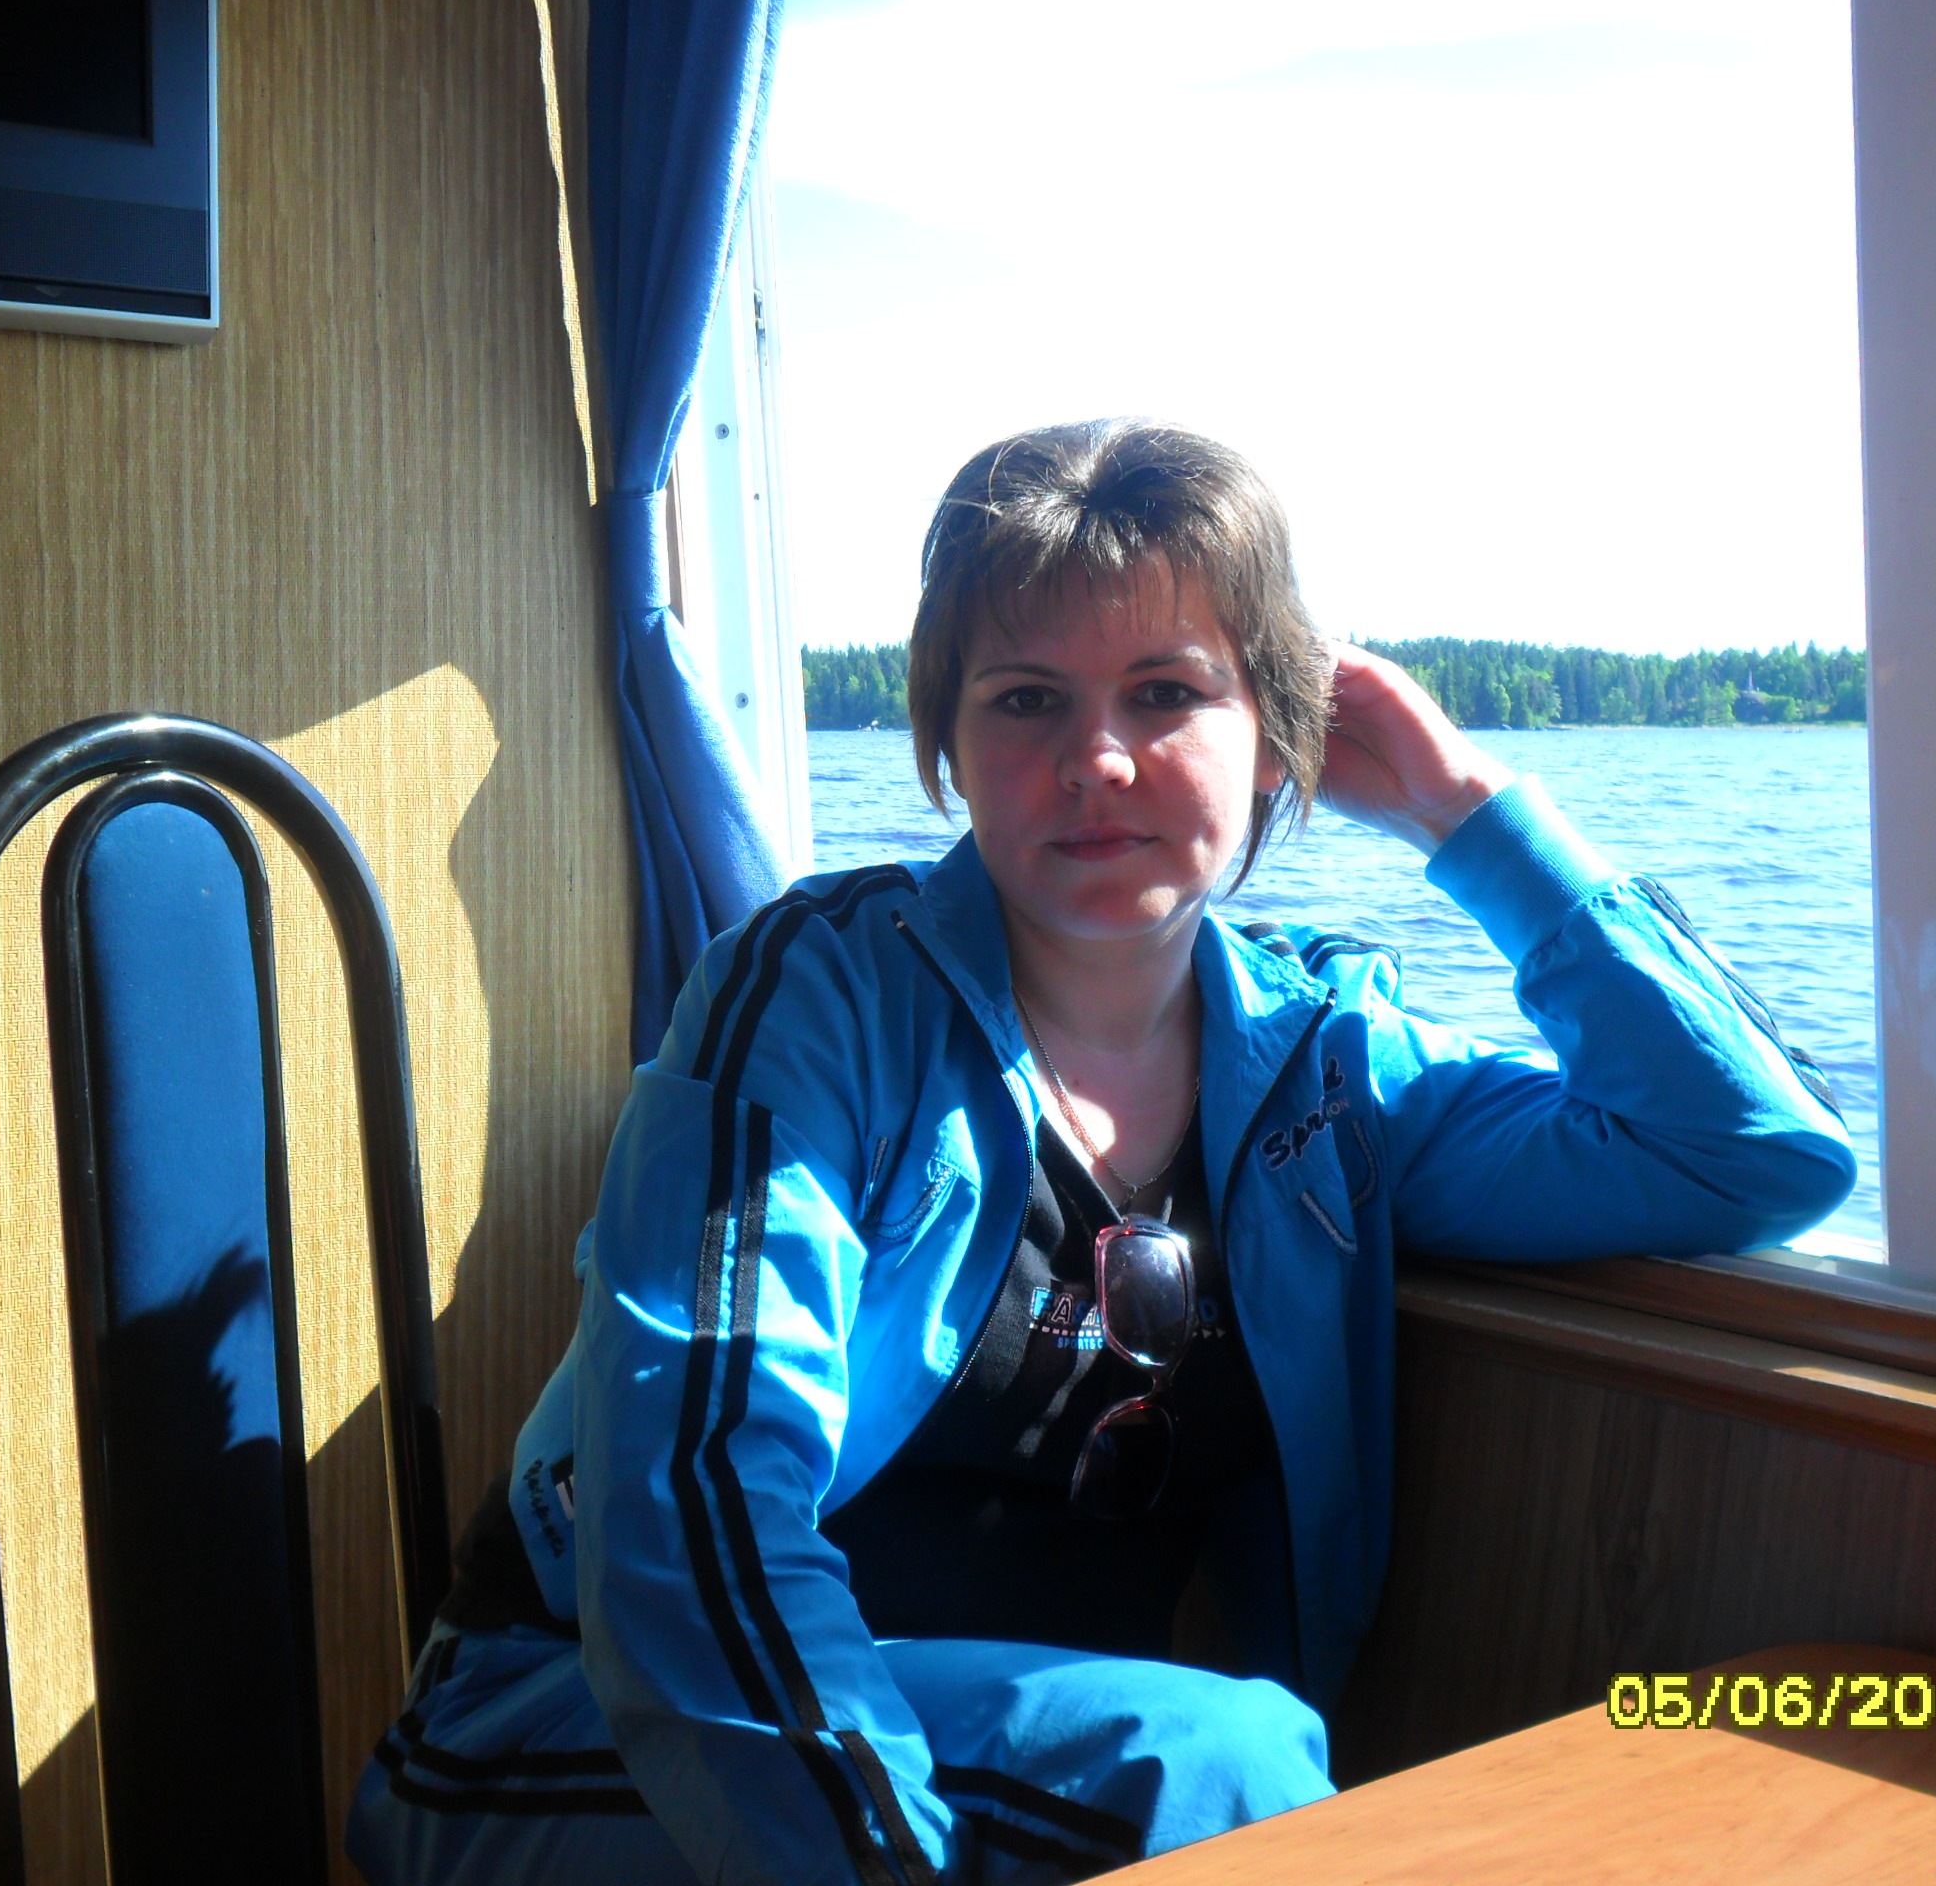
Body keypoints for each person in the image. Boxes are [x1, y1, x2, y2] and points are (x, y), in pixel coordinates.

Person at [346, 420, 1856, 1886]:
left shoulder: (1327, 1062)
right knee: (1215, 1771)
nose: (1100, 762)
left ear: (1278, 736)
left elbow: (1747, 1150)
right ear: (946, 740)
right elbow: (694, 1496)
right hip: (590, 1722)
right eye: (1025, 700)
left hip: (1020, 1773)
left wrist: (1467, 816)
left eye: (1167, 693)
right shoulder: (815, 998)